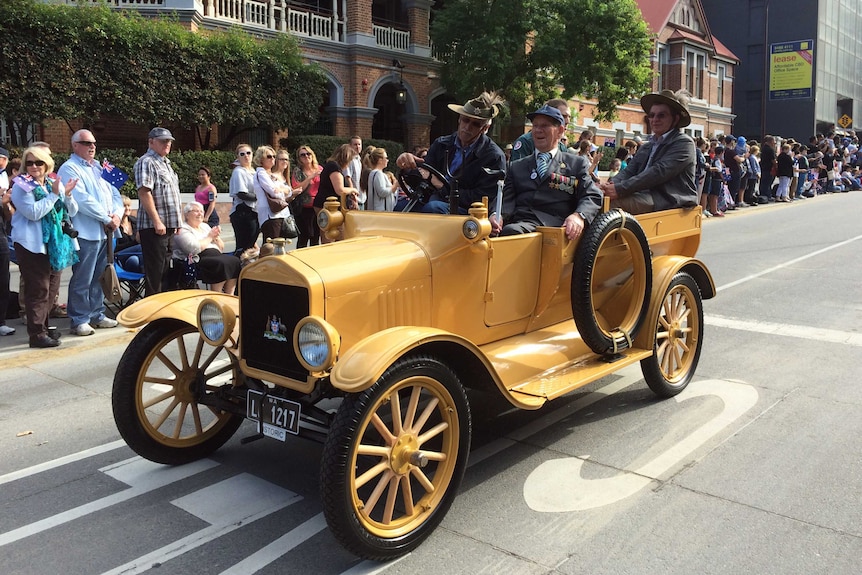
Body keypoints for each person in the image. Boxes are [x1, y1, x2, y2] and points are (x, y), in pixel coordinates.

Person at [491, 105, 602, 240]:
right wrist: (497, 215)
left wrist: (578, 216)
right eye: (535, 126)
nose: (538, 130)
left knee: (511, 232)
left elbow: (592, 195)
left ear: (560, 131)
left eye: (544, 126)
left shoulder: (575, 164)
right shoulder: (517, 166)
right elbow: (505, 199)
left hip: (555, 229)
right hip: (519, 223)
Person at [11, 145, 79, 348]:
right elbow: (33, 213)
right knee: (38, 289)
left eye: (38, 162)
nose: (34, 166)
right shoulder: (21, 185)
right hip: (31, 244)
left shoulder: (51, 183)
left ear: (47, 164)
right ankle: (37, 334)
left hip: (53, 244)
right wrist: (54, 196)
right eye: (29, 163)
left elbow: (72, 210)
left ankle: (43, 327)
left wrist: (66, 194)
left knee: (52, 289)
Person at [396, 91, 507, 214]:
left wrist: (443, 188)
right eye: (466, 120)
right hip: (433, 201)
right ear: (459, 119)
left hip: (467, 214)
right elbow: (423, 177)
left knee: (433, 208)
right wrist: (407, 166)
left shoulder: (493, 157)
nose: (468, 127)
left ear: (485, 128)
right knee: (400, 208)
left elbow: (483, 197)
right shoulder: (441, 144)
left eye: (475, 124)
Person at [58, 129, 124, 336]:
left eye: (93, 143)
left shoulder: (100, 167)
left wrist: (117, 215)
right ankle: (79, 318)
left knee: (99, 276)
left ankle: (96, 313)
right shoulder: (69, 168)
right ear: (75, 145)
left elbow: (116, 193)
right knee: (83, 277)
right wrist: (106, 218)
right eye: (86, 143)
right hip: (86, 232)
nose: (92, 146)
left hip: (106, 232)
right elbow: (82, 199)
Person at [600, 89, 698, 214]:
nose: (654, 119)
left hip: (666, 199)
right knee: (595, 198)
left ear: (675, 118)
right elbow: (629, 171)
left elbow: (658, 172)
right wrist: (609, 185)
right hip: (641, 195)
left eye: (661, 115)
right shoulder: (648, 146)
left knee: (608, 204)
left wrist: (619, 189)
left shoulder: (684, 143)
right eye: (651, 115)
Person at [134, 127, 182, 296]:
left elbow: (172, 195)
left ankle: (162, 311)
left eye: (169, 141)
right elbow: (144, 192)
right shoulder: (146, 161)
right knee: (155, 274)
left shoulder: (165, 163)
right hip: (154, 227)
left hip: (168, 225)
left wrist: (178, 223)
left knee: (164, 272)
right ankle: (152, 314)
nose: (167, 144)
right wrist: (156, 220)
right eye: (163, 141)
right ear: (151, 142)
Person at [173, 201, 240, 295]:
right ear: (187, 215)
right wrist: (210, 237)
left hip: (215, 254)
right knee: (221, 263)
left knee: (235, 261)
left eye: (201, 211)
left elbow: (221, 247)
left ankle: (229, 294)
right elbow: (193, 248)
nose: (200, 213)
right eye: (196, 211)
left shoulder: (205, 226)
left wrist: (216, 237)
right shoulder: (183, 229)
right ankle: (217, 294)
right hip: (198, 258)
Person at [313, 143, 360, 243]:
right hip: (329, 207)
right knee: (331, 235)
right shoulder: (334, 167)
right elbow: (340, 190)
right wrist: (353, 190)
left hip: (331, 207)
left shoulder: (332, 166)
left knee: (336, 234)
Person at [253, 145, 296, 241]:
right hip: (270, 216)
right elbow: (274, 193)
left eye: (273, 156)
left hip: (280, 214)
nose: (272, 158)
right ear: (261, 159)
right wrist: (282, 191)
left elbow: (289, 191)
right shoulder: (261, 174)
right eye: (269, 156)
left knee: (280, 246)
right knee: (271, 246)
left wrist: (282, 190)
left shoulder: (271, 175)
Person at [228, 143, 259, 254]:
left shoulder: (254, 172)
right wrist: (260, 197)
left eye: (248, 153)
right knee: (243, 246)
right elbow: (242, 194)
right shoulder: (239, 172)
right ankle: (239, 268)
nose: (246, 156)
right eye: (242, 154)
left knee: (250, 245)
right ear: (238, 157)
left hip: (254, 211)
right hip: (243, 212)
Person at [290, 145, 323, 247]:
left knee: (316, 237)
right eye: (302, 155)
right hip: (304, 208)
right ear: (299, 158)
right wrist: (310, 177)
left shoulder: (320, 169)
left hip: (318, 207)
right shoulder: (298, 171)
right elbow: (297, 189)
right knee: (304, 236)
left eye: (308, 153)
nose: (306, 156)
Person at [0, 147, 12, 336]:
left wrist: (5, 203)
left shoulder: (5, 178)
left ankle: (1, 321)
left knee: (2, 277)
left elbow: (9, 215)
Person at [346, 136, 365, 209]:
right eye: (355, 144)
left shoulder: (359, 160)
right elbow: (348, 179)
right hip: (354, 200)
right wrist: (353, 198)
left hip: (361, 199)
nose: (357, 147)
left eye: (359, 144)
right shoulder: (349, 160)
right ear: (350, 146)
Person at [758, 135, 777, 202]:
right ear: (771, 141)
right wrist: (777, 166)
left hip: (763, 167)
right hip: (769, 168)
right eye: (774, 141)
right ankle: (767, 196)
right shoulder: (770, 149)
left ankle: (762, 195)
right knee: (767, 183)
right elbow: (773, 160)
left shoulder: (763, 148)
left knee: (763, 182)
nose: (775, 143)